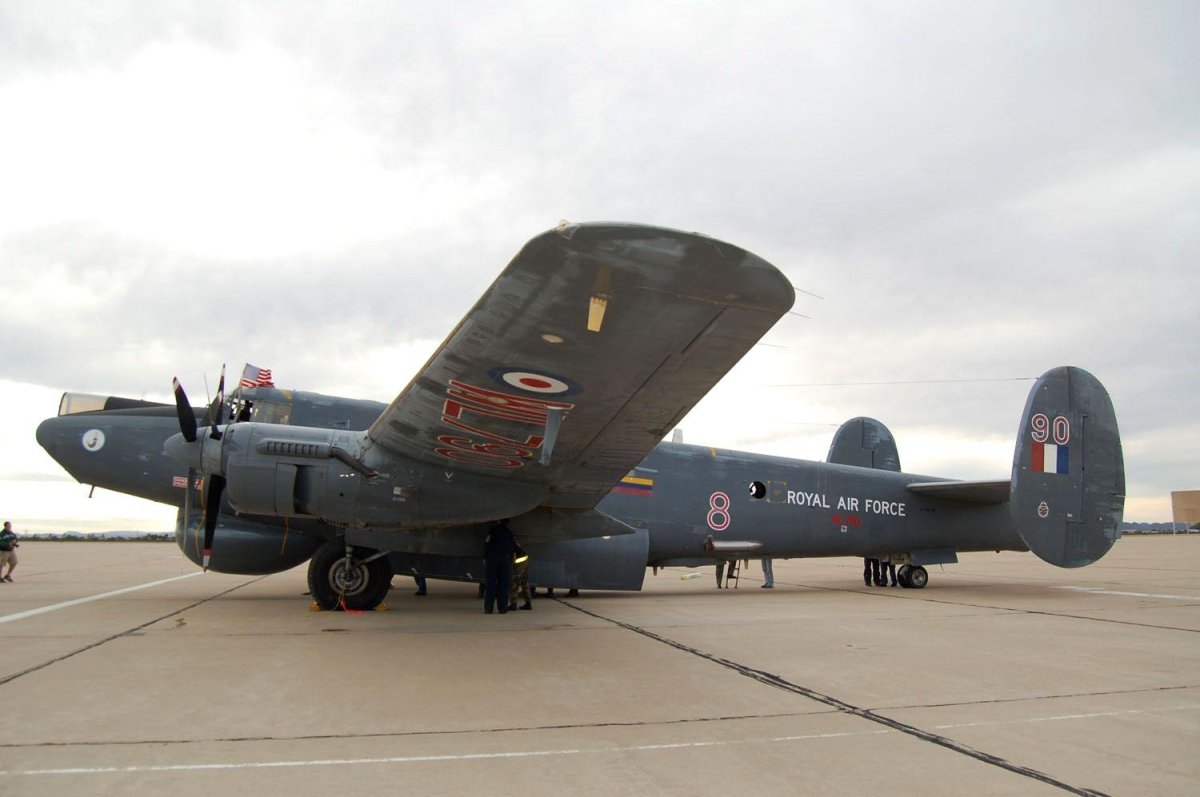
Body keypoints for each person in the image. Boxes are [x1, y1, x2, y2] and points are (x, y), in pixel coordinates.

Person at [482, 518, 517, 614]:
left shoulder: (492, 530)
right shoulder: (509, 532)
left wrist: (485, 557)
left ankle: (489, 608)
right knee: (504, 584)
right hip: (505, 559)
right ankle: (502, 608)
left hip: (492, 558)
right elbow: (512, 547)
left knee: (491, 584)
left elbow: (487, 544)